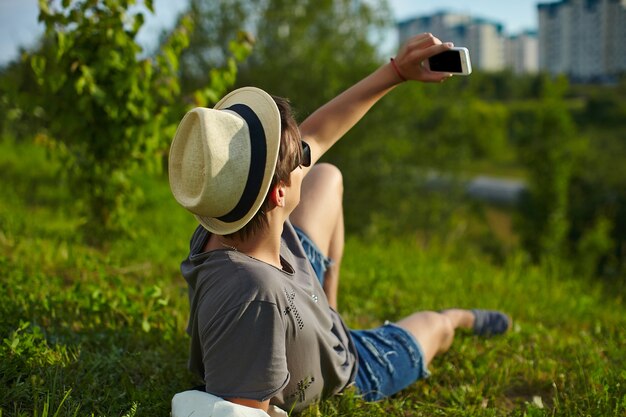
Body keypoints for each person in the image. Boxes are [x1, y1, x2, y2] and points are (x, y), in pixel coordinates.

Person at [168, 33, 510, 414]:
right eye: (300, 157)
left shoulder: (224, 219)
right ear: (279, 192)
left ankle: (329, 306)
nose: (307, 153)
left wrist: (396, 72)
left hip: (286, 262)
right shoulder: (255, 297)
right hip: (347, 364)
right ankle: (461, 318)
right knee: (436, 325)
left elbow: (320, 132)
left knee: (327, 176)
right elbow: (247, 410)